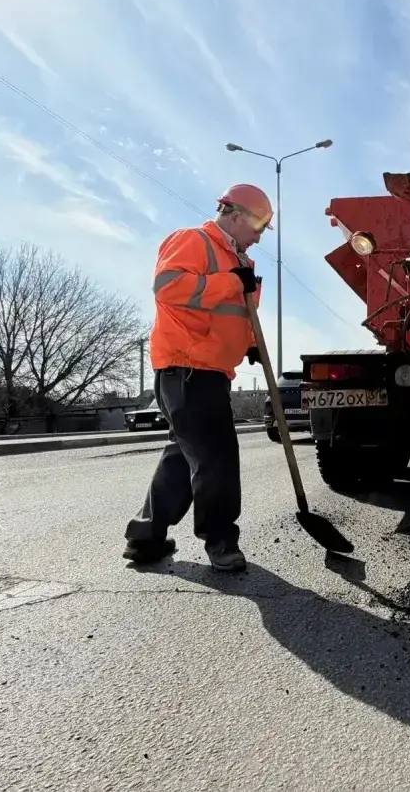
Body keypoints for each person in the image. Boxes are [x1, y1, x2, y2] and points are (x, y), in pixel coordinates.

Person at [122, 184, 272, 572]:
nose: (259, 237)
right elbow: (168, 288)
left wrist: (252, 341)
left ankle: (145, 537)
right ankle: (220, 541)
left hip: (211, 372)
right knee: (216, 457)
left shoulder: (243, 264)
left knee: (183, 456)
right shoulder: (194, 240)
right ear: (236, 215)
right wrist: (232, 282)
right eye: (258, 227)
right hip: (187, 368)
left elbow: (240, 312)